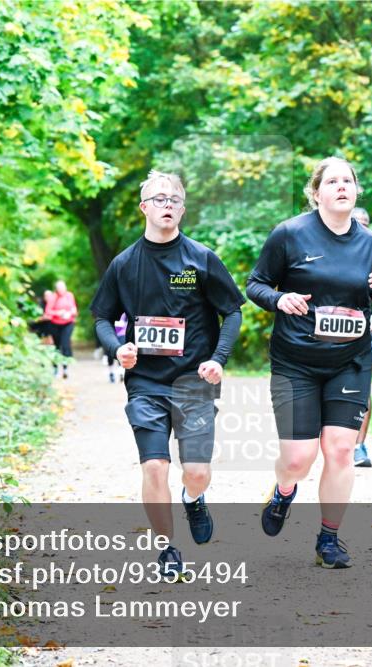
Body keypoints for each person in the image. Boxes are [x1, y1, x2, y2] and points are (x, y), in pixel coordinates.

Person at [246, 157, 372, 569]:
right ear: (316, 193)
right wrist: (280, 298)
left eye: (348, 180)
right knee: (298, 459)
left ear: (356, 190)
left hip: (350, 362)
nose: (341, 187)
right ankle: (283, 492)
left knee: (341, 449)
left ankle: (328, 539)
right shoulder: (289, 235)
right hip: (295, 362)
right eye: (332, 181)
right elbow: (255, 285)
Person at [91, 170, 244, 579]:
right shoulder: (124, 264)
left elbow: (232, 311)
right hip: (146, 383)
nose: (168, 205)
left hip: (195, 382)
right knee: (155, 467)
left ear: (182, 209)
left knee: (197, 472)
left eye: (175, 199)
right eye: (159, 199)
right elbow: (103, 317)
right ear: (144, 207)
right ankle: (166, 549)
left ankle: (193, 499)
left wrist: (219, 358)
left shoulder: (201, 259)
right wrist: (117, 348)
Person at [350, 207, 372, 469]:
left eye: (365, 222)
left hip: (366, 332)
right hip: (330, 332)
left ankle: (359, 446)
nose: (362, 226)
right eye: (356, 222)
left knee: (363, 389)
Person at [45, 280, 77, 378]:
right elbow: (48, 311)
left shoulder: (69, 295)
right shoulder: (53, 297)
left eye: (63, 288)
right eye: (60, 289)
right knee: (56, 346)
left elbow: (74, 309)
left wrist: (71, 312)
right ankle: (55, 368)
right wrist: (58, 313)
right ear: (57, 289)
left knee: (65, 344)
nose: (62, 290)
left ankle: (65, 368)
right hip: (55, 325)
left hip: (68, 323)